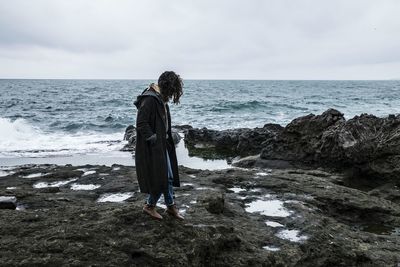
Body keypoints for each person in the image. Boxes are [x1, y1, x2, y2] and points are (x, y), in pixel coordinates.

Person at [134, 71, 184, 220]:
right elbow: (141, 123)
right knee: (162, 177)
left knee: (166, 177)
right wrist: (153, 138)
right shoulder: (150, 99)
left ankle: (169, 207)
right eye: (173, 90)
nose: (173, 94)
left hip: (163, 144)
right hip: (153, 147)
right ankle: (151, 206)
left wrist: (168, 135)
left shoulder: (159, 98)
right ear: (167, 87)